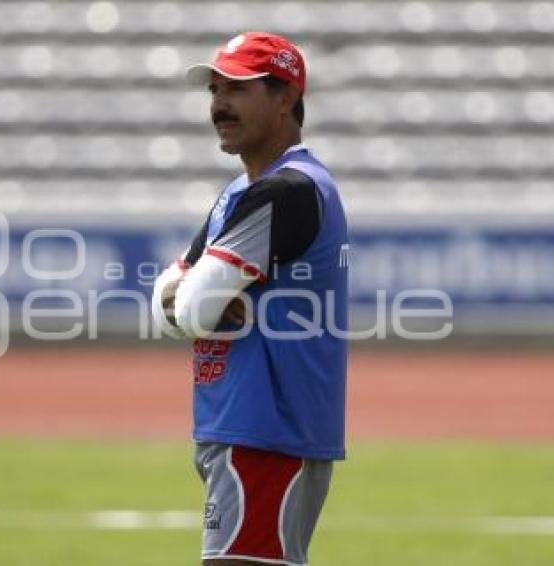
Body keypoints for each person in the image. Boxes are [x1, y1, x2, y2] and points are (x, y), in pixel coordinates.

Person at [151, 32, 349, 566]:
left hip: (267, 433)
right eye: (215, 90)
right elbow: (168, 295)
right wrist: (191, 296)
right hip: (240, 425)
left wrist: (192, 298)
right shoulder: (239, 194)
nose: (219, 104)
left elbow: (189, 307)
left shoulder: (289, 191)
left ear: (286, 95)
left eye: (236, 88)